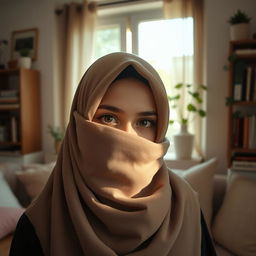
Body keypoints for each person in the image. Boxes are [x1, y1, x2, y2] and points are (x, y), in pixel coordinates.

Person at [10, 52, 216, 256]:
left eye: (145, 122)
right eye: (108, 118)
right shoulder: (39, 225)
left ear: (160, 128)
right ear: (78, 125)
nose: (127, 136)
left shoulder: (186, 205)